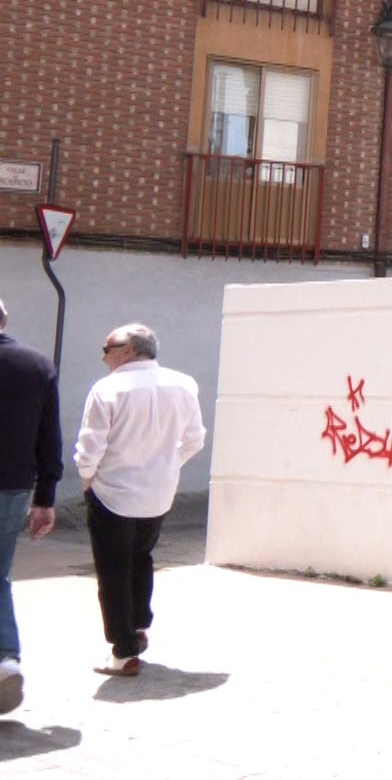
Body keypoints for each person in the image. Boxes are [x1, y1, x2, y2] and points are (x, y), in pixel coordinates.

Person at [75, 323, 205, 677]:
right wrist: (167, 465)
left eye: (109, 347)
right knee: (141, 558)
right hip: (158, 493)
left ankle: (124, 649)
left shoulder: (108, 389)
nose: (103, 355)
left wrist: (87, 477)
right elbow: (195, 439)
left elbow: (90, 446)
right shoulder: (183, 384)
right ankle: (139, 626)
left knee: (113, 569)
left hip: (112, 492)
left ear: (129, 350)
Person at [0, 299, 62, 712]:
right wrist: (45, 498)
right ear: (4, 319)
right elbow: (49, 437)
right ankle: (5, 659)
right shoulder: (36, 365)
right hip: (13, 488)